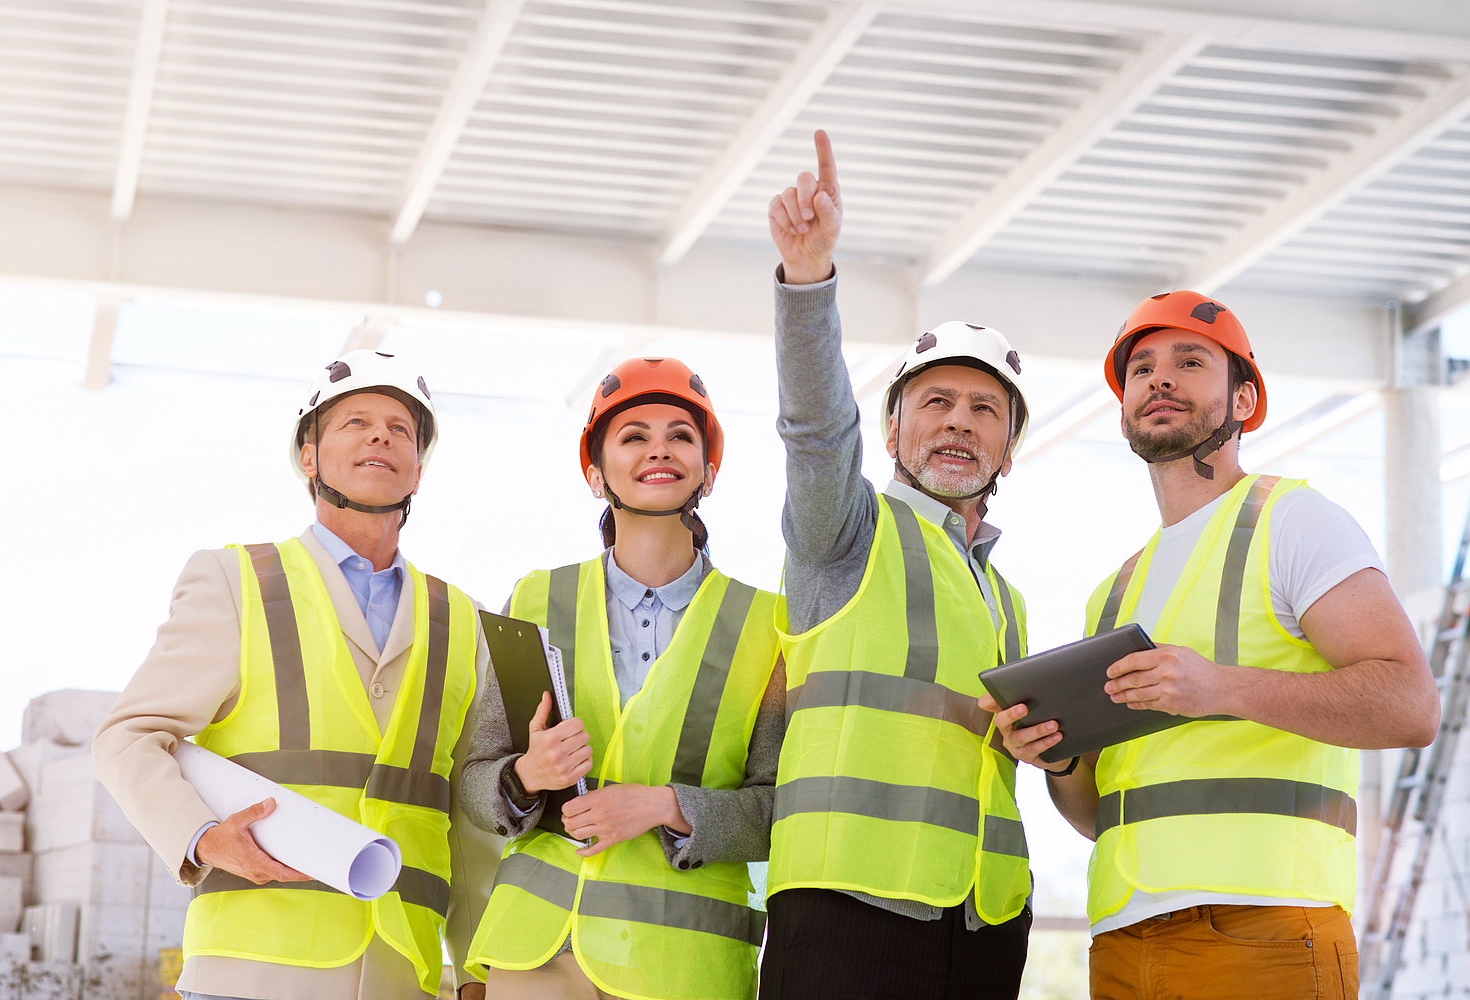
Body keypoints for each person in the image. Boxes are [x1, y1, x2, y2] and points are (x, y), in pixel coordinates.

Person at [981, 290, 1442, 1000]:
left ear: (1244, 399)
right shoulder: (1112, 593)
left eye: (1188, 362)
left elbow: (1411, 705)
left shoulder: (1292, 522)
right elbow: (1097, 816)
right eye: (1139, 370)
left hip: (1265, 931)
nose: (1157, 379)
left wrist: (1220, 687)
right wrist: (1058, 757)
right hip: (1123, 940)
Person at [93, 349, 503, 1000]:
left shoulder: (464, 621)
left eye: (401, 429)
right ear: (308, 458)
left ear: (417, 470)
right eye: (356, 422)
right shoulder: (236, 582)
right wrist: (201, 839)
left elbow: (466, 817)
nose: (380, 436)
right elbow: (127, 737)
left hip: (403, 974)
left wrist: (479, 970)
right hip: (251, 971)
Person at [760, 129, 1034, 1000]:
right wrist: (808, 278)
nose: (959, 422)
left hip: (983, 919)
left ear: (1008, 446)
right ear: (892, 433)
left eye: (984, 409)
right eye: (937, 403)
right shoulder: (845, 529)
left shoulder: (1006, 597)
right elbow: (814, 430)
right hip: (847, 910)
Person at [458, 357, 785, 1000]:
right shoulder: (535, 597)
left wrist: (668, 806)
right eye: (633, 436)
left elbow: (780, 808)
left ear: (708, 473)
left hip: (684, 964)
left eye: (680, 435)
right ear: (594, 472)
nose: (658, 449)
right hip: (537, 952)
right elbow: (474, 780)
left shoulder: (767, 625)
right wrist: (527, 777)